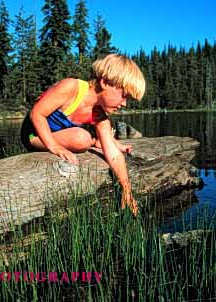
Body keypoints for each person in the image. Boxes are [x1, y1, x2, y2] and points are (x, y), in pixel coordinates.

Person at [20, 54, 146, 216]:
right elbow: (37, 113)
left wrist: (126, 189)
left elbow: (113, 155)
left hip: (59, 134)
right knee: (82, 139)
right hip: (34, 135)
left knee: (97, 140)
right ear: (105, 82)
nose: (124, 104)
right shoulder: (71, 88)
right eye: (124, 95)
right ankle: (94, 141)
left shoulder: (100, 117)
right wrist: (54, 146)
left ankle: (97, 141)